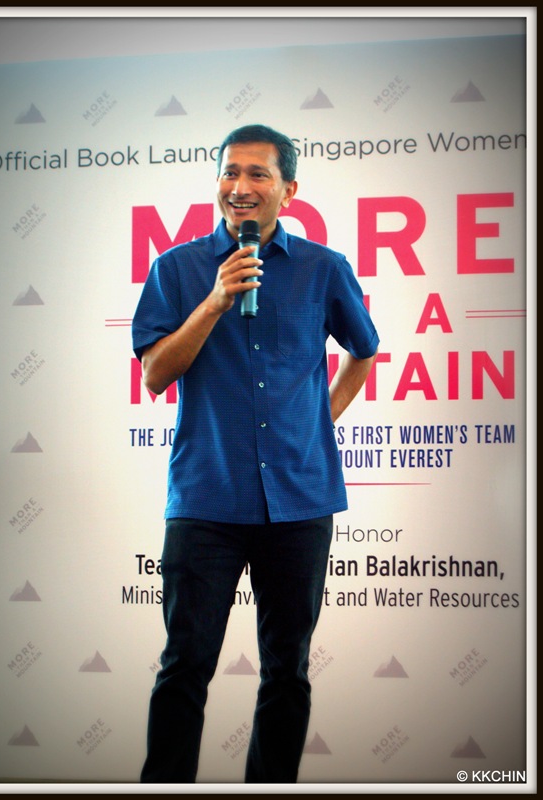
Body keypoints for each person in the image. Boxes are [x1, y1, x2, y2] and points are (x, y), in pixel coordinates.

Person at [132, 123, 379, 783]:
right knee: (184, 666)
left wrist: (316, 421)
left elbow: (364, 350)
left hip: (299, 501)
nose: (239, 187)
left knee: (286, 671)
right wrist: (215, 302)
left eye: (257, 174)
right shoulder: (176, 269)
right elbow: (155, 373)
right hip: (206, 499)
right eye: (229, 172)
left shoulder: (324, 268)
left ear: (288, 190)